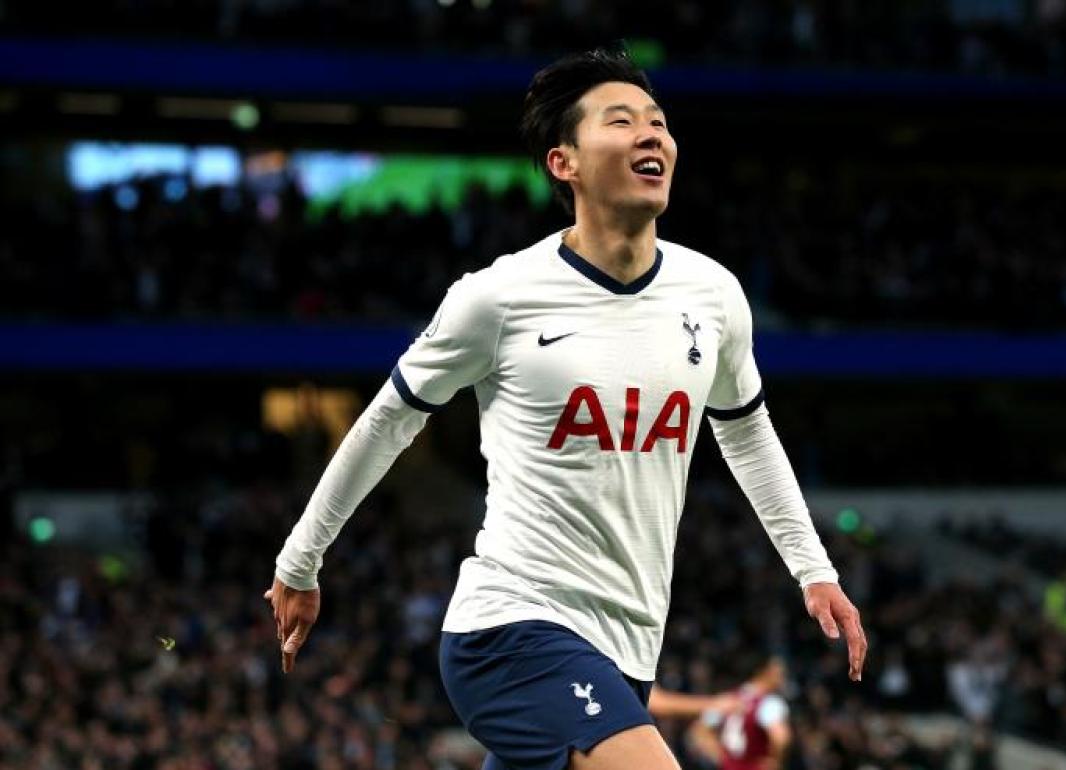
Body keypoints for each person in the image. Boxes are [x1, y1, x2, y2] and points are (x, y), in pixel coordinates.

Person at [265, 47, 866, 770]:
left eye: (659, 122)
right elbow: (389, 420)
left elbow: (747, 434)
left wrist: (813, 569)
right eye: (622, 121)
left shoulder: (713, 295)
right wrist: (300, 560)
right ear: (564, 163)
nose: (653, 136)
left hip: (627, 647)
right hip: (512, 629)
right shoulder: (498, 297)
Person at [689, 655, 792, 770]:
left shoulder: (728, 698)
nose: (782, 678)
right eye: (778, 673)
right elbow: (780, 738)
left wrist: (721, 757)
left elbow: (699, 730)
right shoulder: (770, 703)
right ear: (764, 672)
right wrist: (775, 761)